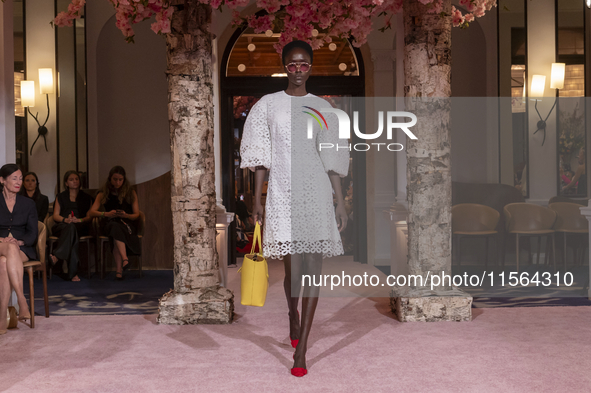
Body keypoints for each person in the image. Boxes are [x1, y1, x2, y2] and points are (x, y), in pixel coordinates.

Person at [240, 41, 349, 377]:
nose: (298, 70)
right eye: (292, 64)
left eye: (304, 64)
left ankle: (301, 350)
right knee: (293, 272)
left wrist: (340, 201)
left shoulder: (323, 108)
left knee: (313, 268)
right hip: (283, 192)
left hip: (316, 193)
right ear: (284, 66)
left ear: (311, 67)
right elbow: (260, 158)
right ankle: (292, 313)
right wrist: (257, 200)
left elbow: (331, 158)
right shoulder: (268, 106)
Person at [0, 164, 37, 333]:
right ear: (2, 180)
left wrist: (19, 242)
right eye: (14, 178)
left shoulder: (28, 203)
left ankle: (1, 318)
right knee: (7, 249)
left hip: (20, 248)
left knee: (3, 263)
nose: (19, 182)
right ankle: (22, 301)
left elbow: (33, 232)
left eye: (20, 178)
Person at [89, 166, 141, 280]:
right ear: (110, 179)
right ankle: (124, 259)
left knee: (116, 232)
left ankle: (119, 270)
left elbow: (136, 214)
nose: (117, 182)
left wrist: (126, 215)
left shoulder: (130, 192)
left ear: (124, 179)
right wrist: (106, 214)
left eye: (120, 180)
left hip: (126, 222)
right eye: (115, 179)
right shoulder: (103, 193)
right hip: (109, 222)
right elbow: (92, 212)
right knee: (114, 227)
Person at [50, 170, 94, 282]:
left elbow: (89, 217)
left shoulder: (86, 197)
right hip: (62, 225)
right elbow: (55, 216)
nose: (74, 181)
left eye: (76, 179)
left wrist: (79, 220)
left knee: (73, 231)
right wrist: (66, 219)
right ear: (66, 183)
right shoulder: (60, 196)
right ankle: (73, 273)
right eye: (71, 179)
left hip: (80, 225)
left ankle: (57, 256)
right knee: (71, 229)